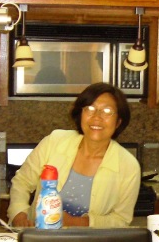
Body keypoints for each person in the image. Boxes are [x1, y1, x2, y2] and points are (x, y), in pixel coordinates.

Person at [8, 82, 141, 228]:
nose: (97, 117)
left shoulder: (128, 166)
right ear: (80, 114)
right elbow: (22, 182)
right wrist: (19, 215)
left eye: (107, 111)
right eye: (90, 108)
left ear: (118, 122)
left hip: (89, 241)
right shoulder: (55, 141)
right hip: (38, 236)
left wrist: (76, 222)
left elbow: (121, 219)